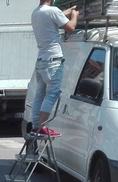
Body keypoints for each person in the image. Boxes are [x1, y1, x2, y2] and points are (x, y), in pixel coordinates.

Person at [30, 1, 78, 137]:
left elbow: (54, 17)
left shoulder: (36, 13)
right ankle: (42, 126)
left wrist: (68, 11)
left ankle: (35, 126)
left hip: (41, 60)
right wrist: (74, 15)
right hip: (53, 60)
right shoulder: (53, 11)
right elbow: (71, 28)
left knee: (40, 94)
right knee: (52, 93)